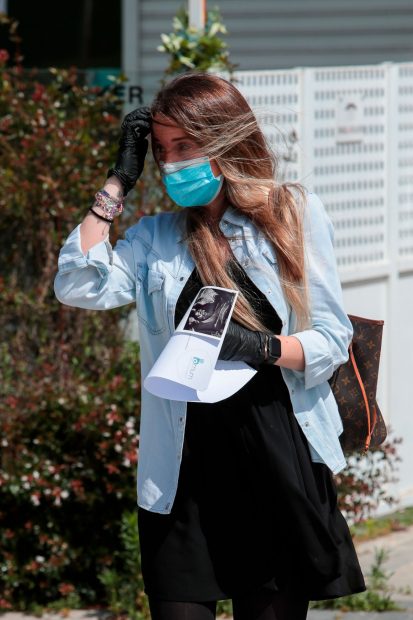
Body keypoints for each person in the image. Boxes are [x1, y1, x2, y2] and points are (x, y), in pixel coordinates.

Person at [54, 73, 366, 620]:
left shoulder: (290, 214)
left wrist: (262, 347)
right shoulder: (156, 238)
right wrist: (117, 183)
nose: (171, 163)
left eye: (185, 146)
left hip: (275, 456)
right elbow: (77, 284)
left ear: (223, 142)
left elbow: (332, 340)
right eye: (161, 150)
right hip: (184, 469)